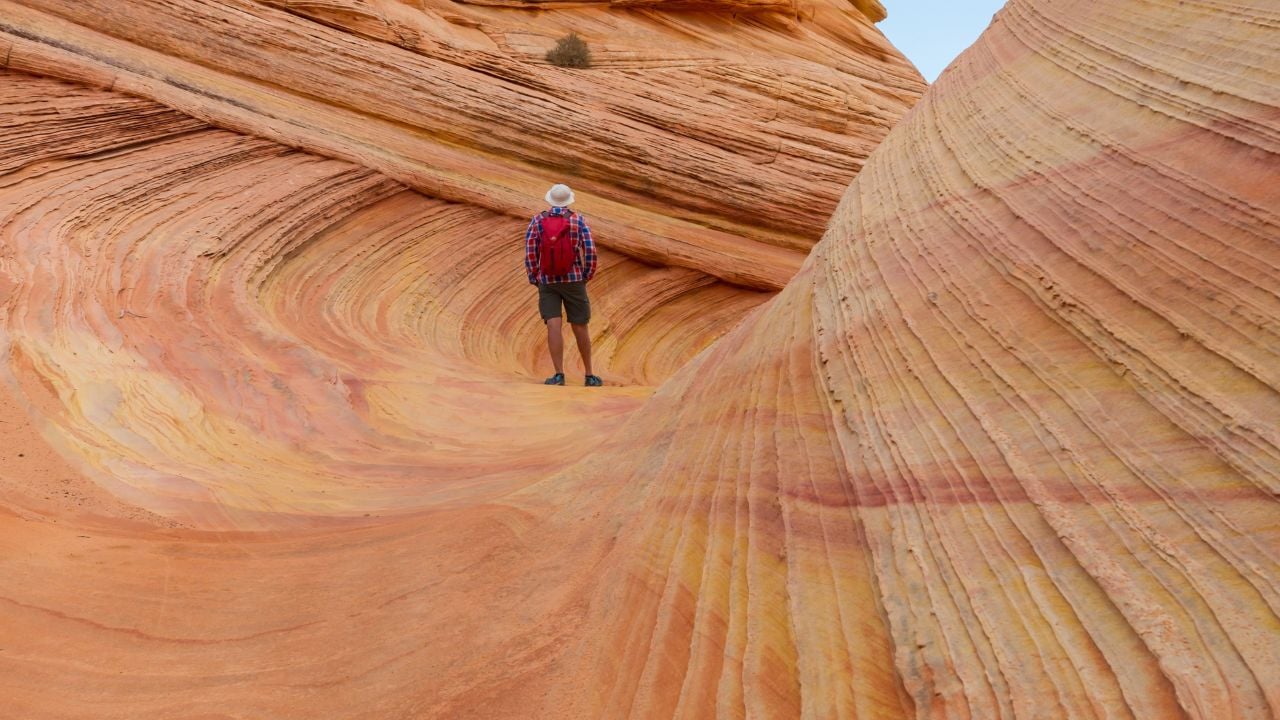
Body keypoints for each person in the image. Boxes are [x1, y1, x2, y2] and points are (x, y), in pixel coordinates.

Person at [525, 183, 602, 386]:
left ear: (550, 200)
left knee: (553, 325)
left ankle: (559, 375)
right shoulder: (578, 220)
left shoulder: (538, 220)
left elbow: (531, 250)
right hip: (574, 279)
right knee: (580, 326)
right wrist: (586, 274)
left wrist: (534, 276)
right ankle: (589, 375)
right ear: (569, 201)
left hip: (547, 280)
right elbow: (590, 250)